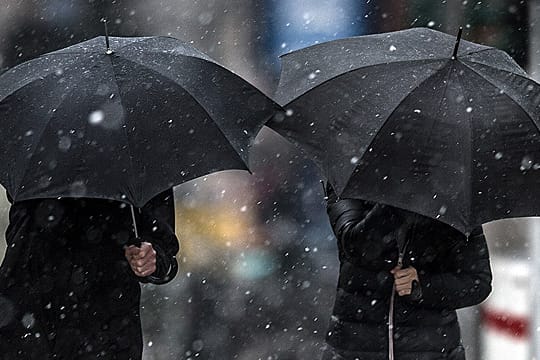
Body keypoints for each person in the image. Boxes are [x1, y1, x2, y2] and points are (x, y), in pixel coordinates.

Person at [0, 189, 179, 359]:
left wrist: (152, 255)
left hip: (103, 311)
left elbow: (161, 243)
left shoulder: (135, 161)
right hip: (30, 304)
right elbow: (19, 218)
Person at [321, 185, 492, 360]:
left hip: (433, 349)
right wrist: (397, 201)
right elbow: (358, 248)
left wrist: (423, 286)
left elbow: (477, 282)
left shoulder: (451, 194)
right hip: (355, 347)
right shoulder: (351, 181)